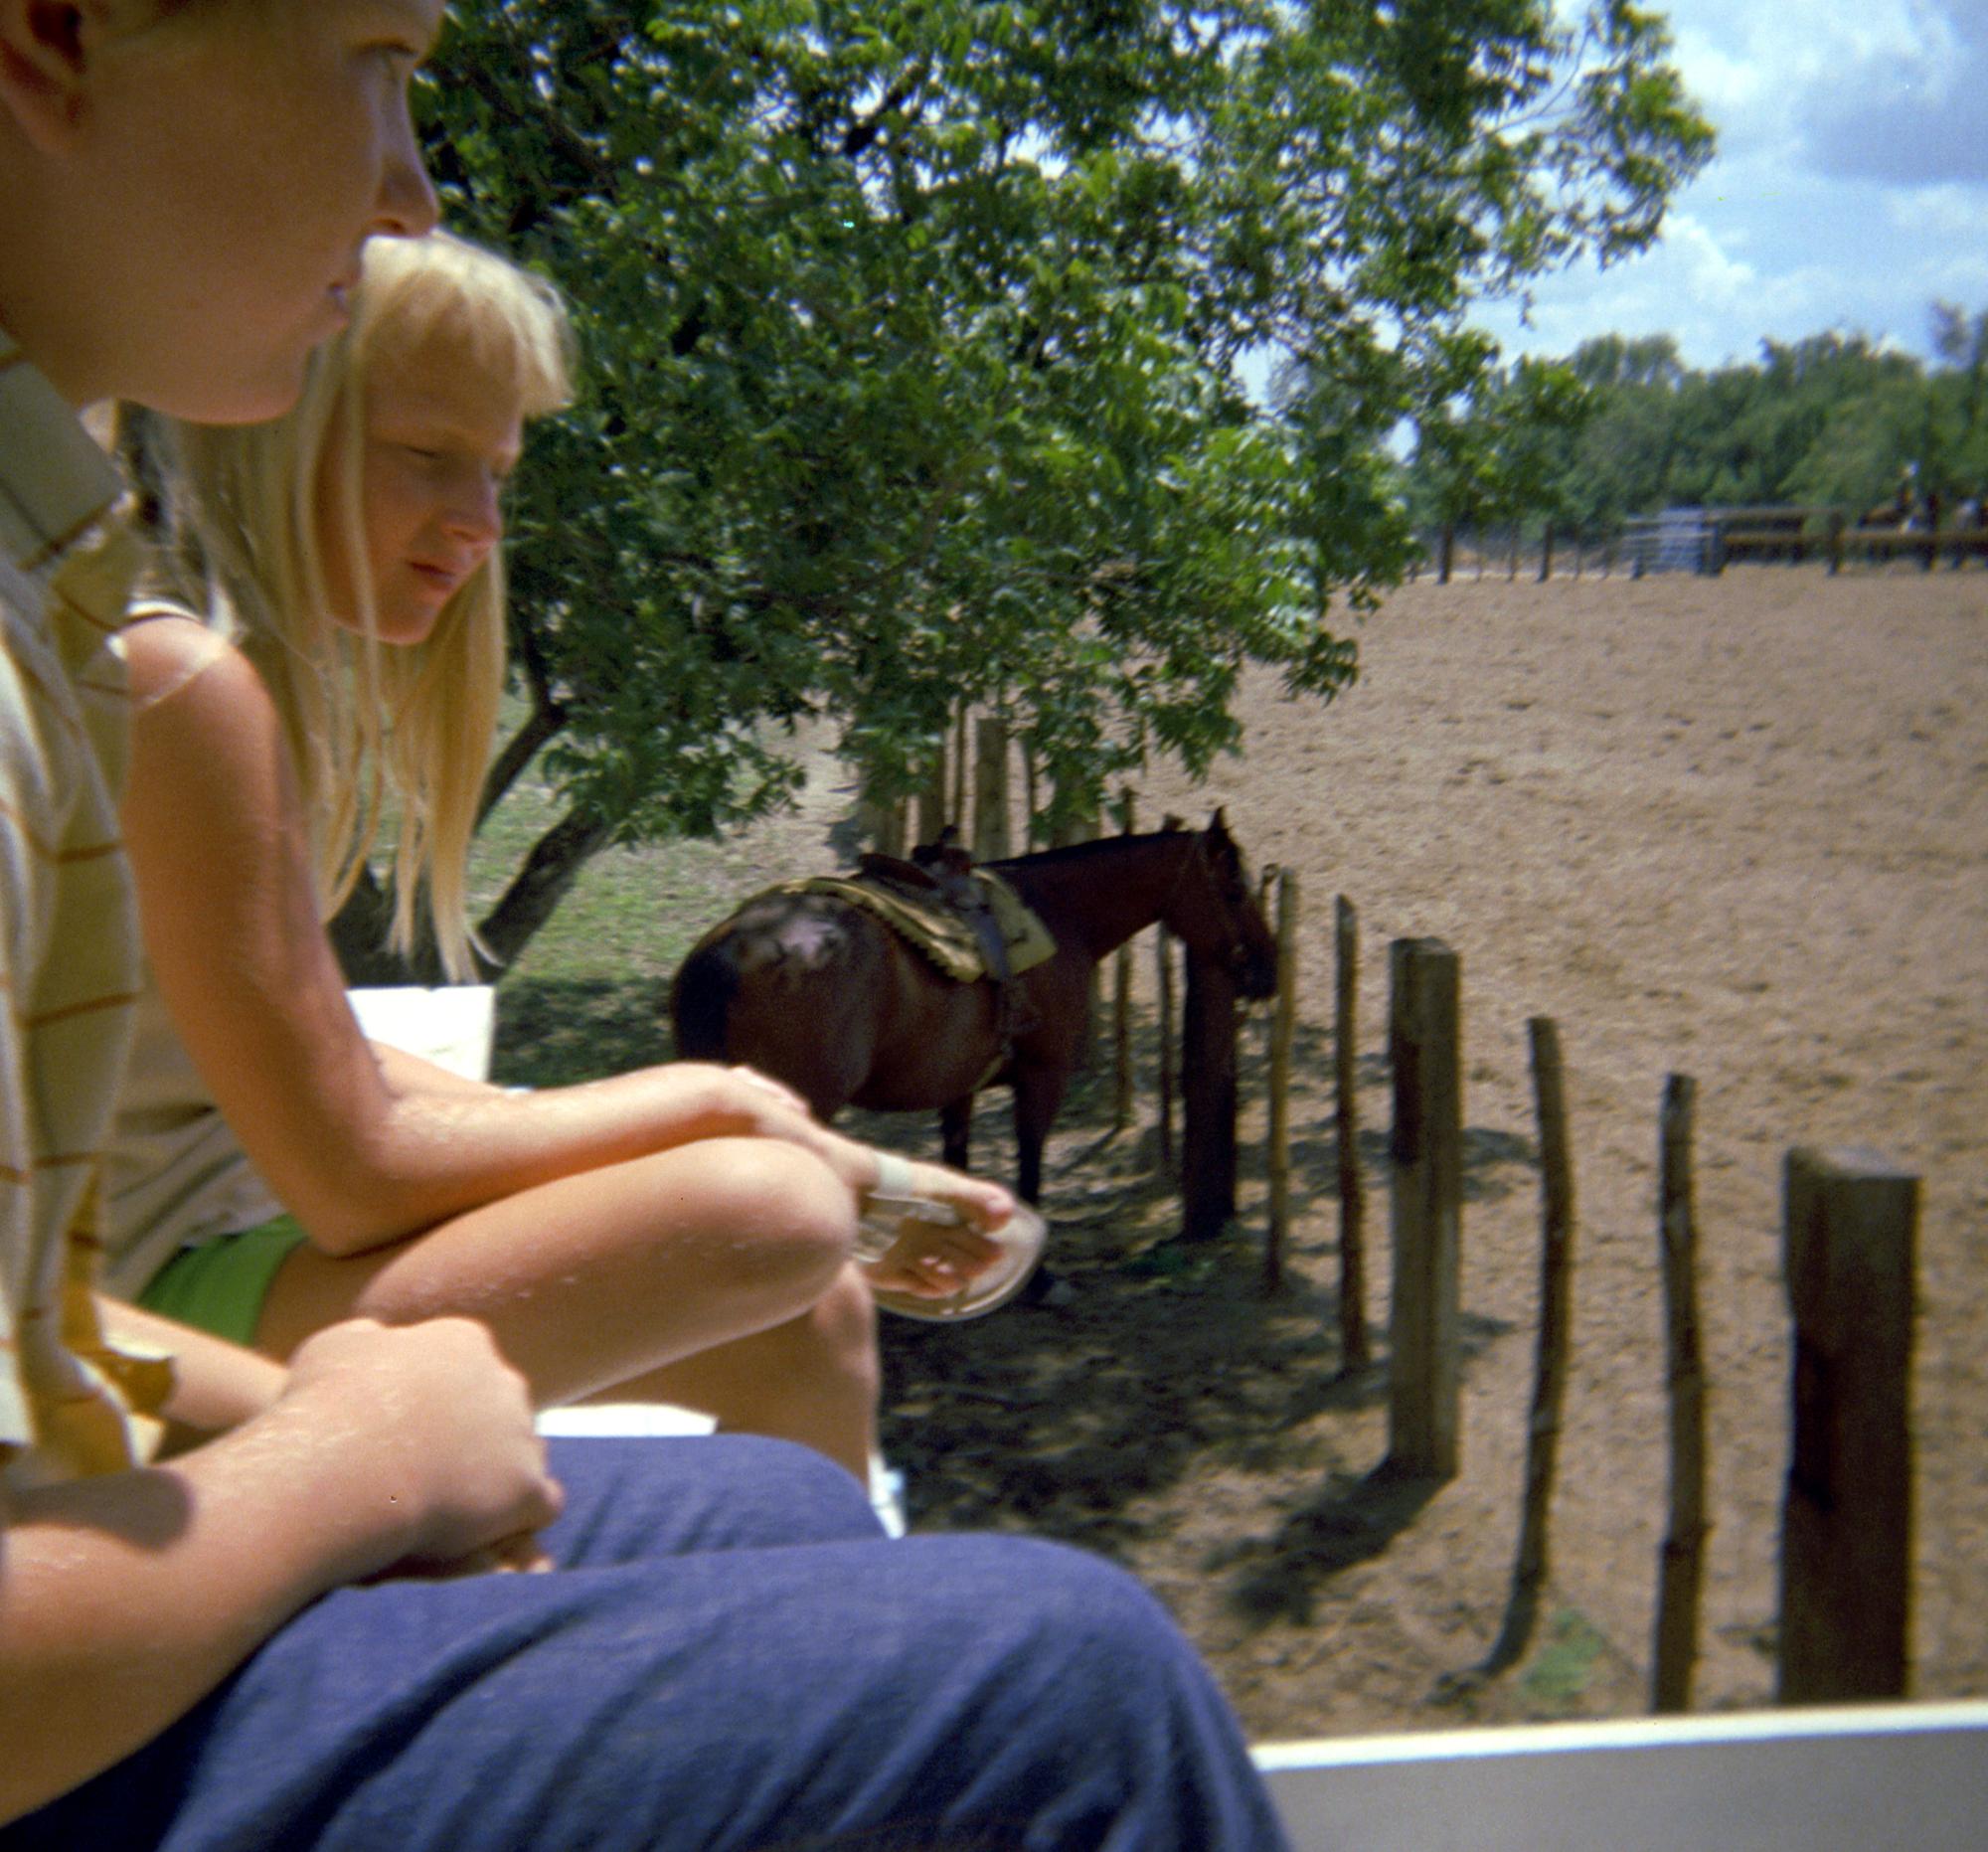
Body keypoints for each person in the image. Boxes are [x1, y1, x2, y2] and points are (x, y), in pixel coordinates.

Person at [0, 4, 1290, 1845]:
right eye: (375, 53)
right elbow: (344, 1154)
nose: (410, 179)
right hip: (178, 1329)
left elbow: (92, 1269)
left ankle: (806, 1636)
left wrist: (354, 1420)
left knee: (789, 1382)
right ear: (54, 39)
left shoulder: (72, 620)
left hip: (145, 1324)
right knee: (1043, 1628)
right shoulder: (148, 680)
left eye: (499, 476)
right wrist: (347, 1450)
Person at [110, 226, 1017, 1483]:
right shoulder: (181, 691)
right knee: (768, 1223)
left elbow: (298, 1049)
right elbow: (353, 1180)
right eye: (427, 454)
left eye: (497, 472)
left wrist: (815, 1152)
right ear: (271, 424)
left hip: (213, 1230)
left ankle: (808, 1635)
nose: (479, 523)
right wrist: (720, 1108)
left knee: (810, 1297)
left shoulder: (223, 676)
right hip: (140, 1303)